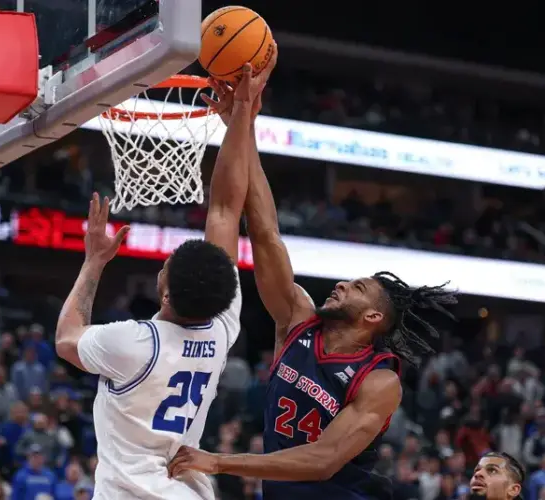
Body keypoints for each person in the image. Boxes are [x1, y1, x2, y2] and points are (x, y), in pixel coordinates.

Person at [168, 47, 456, 499]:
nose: (341, 284)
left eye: (358, 288)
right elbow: (264, 233)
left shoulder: (380, 381)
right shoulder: (298, 319)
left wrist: (220, 461)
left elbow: (322, 461)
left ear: (373, 318)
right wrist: (240, 126)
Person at [54, 52, 278, 499]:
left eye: (167, 264)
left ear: (167, 292)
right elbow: (224, 209)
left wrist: (93, 263)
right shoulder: (221, 329)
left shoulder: (133, 343)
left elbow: (66, 338)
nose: (163, 264)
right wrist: (239, 120)